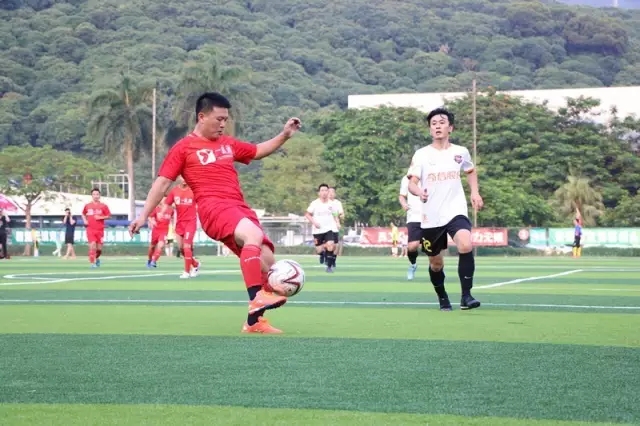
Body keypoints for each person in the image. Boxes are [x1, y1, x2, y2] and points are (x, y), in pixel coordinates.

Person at [129, 92, 301, 334]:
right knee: (252, 236)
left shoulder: (227, 144)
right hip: (214, 209)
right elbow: (162, 183)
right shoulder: (184, 148)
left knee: (268, 263)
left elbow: (257, 151)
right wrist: (143, 215)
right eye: (219, 119)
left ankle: (254, 322)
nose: (223, 124)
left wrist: (284, 135)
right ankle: (256, 297)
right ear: (202, 117)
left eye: (225, 120)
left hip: (238, 208)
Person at [407, 107, 483, 311]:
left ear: (450, 128)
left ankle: (466, 296)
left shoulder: (460, 152)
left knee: (465, 244)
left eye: (442, 122)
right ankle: (442, 297)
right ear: (430, 129)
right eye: (433, 124)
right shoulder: (421, 154)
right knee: (436, 263)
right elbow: (412, 183)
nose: (437, 126)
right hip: (431, 216)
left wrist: (475, 192)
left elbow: (470, 171)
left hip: (455, 210)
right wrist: (418, 192)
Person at [164, 178, 200, 278]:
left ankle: (186, 272)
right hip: (179, 224)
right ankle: (195, 264)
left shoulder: (193, 190)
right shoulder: (174, 191)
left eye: (186, 177)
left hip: (190, 222)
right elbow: (167, 203)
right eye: (182, 177)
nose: (184, 179)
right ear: (179, 178)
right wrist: (162, 212)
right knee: (181, 248)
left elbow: (201, 202)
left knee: (187, 247)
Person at [305, 183, 339, 273]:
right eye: (322, 190)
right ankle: (322, 254)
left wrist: (337, 222)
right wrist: (314, 223)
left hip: (329, 228)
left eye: (326, 190)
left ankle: (329, 266)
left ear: (328, 192)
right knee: (319, 250)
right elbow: (307, 214)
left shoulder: (332, 204)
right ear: (319, 193)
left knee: (330, 245)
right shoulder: (314, 203)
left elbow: (335, 214)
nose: (324, 192)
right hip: (318, 230)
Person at [399, 175, 424, 280]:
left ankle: (439, 268)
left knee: (433, 249)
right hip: (414, 217)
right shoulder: (406, 178)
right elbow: (401, 196)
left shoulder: (431, 174)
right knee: (412, 247)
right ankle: (413, 264)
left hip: (431, 217)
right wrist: (404, 204)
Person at [82, 188, 111, 268]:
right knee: (92, 246)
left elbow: (109, 216)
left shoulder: (104, 206)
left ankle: (97, 258)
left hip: (100, 230)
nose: (96, 196)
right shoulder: (87, 205)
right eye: (94, 194)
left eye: (97, 194)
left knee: (99, 250)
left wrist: (100, 217)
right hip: (90, 229)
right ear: (91, 195)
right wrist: (85, 221)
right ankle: (93, 263)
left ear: (99, 195)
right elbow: (83, 214)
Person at [147, 198, 174, 268]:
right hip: (156, 231)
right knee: (152, 247)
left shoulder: (171, 209)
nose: (165, 200)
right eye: (163, 199)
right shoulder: (156, 208)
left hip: (164, 231)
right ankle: (149, 260)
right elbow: (149, 217)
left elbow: (172, 218)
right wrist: (152, 221)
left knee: (161, 246)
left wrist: (174, 226)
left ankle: (154, 261)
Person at [328, 187, 345, 264]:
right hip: (325, 226)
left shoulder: (337, 203)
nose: (331, 194)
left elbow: (340, 213)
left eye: (332, 192)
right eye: (329, 192)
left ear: (335, 194)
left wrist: (342, 216)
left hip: (334, 227)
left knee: (336, 245)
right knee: (329, 244)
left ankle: (333, 260)